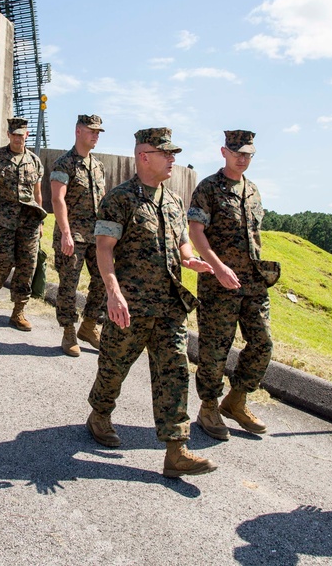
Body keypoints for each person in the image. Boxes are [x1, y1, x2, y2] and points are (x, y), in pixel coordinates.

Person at [86, 127, 218, 478]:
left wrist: (190, 260)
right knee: (114, 367)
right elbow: (103, 249)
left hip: (170, 307)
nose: (173, 159)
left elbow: (182, 244)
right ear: (144, 156)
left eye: (174, 153)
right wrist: (113, 293)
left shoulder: (173, 202)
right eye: (166, 153)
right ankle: (100, 413)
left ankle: (176, 450)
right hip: (130, 307)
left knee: (174, 371)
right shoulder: (119, 199)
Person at [188, 130, 273, 441]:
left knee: (263, 343)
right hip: (218, 282)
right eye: (237, 152)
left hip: (252, 282)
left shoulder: (253, 191)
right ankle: (208, 406)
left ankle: (236, 400)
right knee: (215, 348)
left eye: (248, 153)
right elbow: (196, 231)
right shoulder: (208, 188)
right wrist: (219, 266)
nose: (243, 158)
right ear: (224, 152)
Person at [0, 117, 46, 331]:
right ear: (8, 135)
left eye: (21, 135)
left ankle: (18, 311)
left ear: (27, 136)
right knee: (2, 262)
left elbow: (37, 194)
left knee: (27, 266)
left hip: (29, 222)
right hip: (3, 221)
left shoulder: (34, 161)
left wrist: (40, 222)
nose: (17, 138)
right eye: (14, 134)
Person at [50, 114, 108, 356]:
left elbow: (103, 202)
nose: (96, 135)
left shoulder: (98, 166)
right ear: (78, 131)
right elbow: (57, 199)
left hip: (96, 237)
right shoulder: (64, 164)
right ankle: (68, 331)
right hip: (72, 235)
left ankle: (89, 325)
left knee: (105, 281)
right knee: (68, 286)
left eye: (98, 132)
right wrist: (65, 233)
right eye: (91, 131)